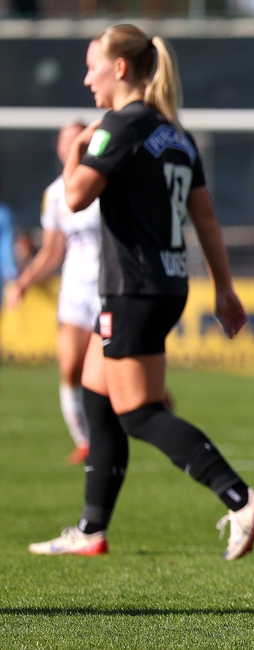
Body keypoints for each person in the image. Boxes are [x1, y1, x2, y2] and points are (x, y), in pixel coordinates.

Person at [29, 24, 254, 560]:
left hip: (133, 289)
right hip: (164, 283)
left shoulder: (119, 126)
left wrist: (75, 149)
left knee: (139, 411)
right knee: (97, 396)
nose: (87, 77)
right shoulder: (174, 133)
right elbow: (205, 216)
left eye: (92, 64)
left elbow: (73, 198)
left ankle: (241, 499)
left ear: (120, 69)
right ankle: (91, 530)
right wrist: (224, 288)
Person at [6, 123, 103, 465]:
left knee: (109, 373)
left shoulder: (104, 181)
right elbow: (52, 251)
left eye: (77, 137)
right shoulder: (55, 194)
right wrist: (24, 281)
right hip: (76, 289)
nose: (70, 144)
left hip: (109, 288)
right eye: (65, 139)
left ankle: (151, 399)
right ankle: (85, 441)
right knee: (70, 367)